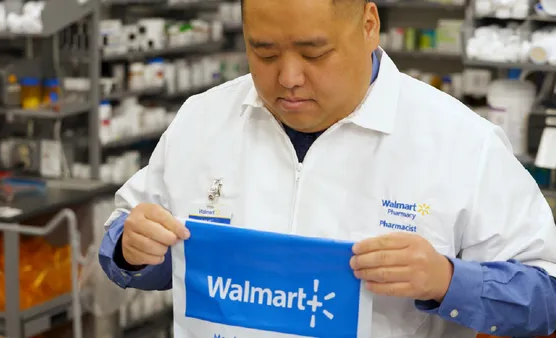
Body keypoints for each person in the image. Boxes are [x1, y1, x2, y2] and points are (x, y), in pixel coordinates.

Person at [99, 0, 556, 336]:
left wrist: (446, 280)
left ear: (369, 25)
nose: (289, 78)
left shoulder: (458, 141)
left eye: (315, 54)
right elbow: (126, 240)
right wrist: (132, 249)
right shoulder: (202, 119)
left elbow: (546, 292)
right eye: (264, 53)